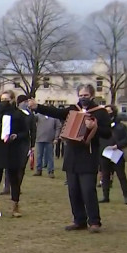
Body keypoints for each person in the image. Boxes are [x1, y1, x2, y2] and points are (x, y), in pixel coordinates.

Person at [29, 84, 111, 232]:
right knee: (73, 190)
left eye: (86, 95)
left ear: (92, 96)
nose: (83, 98)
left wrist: (95, 127)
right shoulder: (73, 110)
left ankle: (94, 222)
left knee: (88, 190)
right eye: (81, 95)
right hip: (72, 155)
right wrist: (37, 107)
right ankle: (79, 220)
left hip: (89, 155)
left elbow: (108, 133)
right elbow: (56, 112)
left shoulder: (100, 112)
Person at [0, 91, 29, 218]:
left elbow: (25, 132)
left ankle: (15, 207)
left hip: (13, 149)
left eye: (7, 99)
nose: (4, 101)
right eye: (2, 99)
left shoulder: (19, 115)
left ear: (12, 100)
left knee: (14, 179)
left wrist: (17, 136)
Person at [99, 105, 127, 204]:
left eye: (109, 111)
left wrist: (118, 145)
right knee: (105, 175)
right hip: (104, 153)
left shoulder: (121, 126)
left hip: (117, 153)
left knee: (121, 175)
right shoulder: (101, 125)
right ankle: (105, 196)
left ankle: (126, 196)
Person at [34, 101, 62, 178]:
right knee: (39, 155)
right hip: (40, 138)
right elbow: (31, 118)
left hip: (50, 139)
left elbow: (58, 127)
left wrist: (56, 138)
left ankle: (50, 171)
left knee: (50, 156)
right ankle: (38, 170)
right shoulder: (38, 116)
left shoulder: (54, 117)